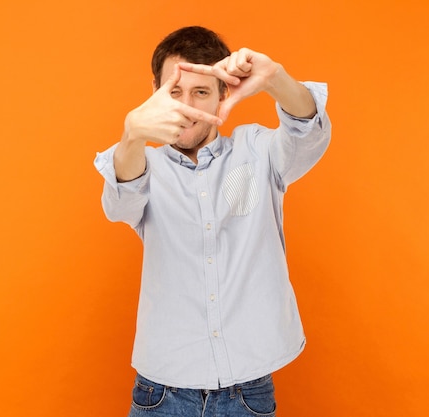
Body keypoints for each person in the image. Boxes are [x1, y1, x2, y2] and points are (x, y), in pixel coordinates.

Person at [94, 26, 331, 417]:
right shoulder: (141, 163)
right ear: (155, 91)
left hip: (248, 391)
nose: (186, 106)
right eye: (175, 92)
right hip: (161, 393)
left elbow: (308, 134)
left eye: (201, 92)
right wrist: (131, 135)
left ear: (224, 93)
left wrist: (275, 78)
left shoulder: (257, 152)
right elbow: (119, 204)